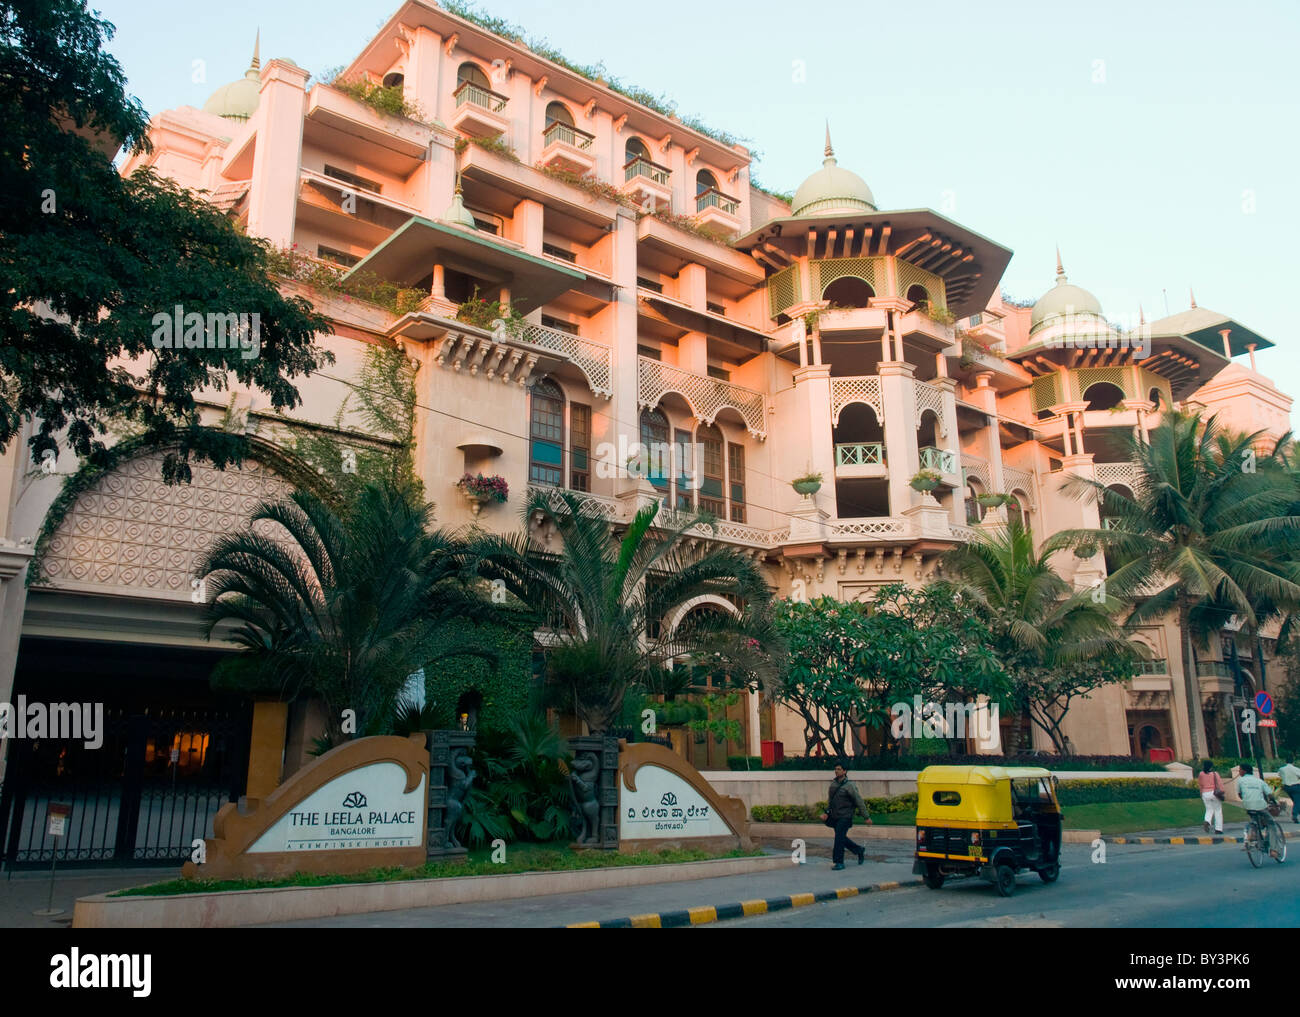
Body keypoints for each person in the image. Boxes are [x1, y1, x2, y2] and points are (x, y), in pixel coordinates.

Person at [820, 762, 873, 870]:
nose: (836, 771)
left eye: (839, 769)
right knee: (841, 838)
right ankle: (858, 850)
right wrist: (826, 812)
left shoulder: (850, 786)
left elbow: (859, 801)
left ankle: (839, 862)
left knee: (839, 839)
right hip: (835, 816)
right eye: (836, 769)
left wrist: (866, 817)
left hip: (845, 816)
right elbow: (831, 801)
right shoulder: (833, 784)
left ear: (844, 771)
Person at [1236, 763, 1277, 851]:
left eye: (1240, 770)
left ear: (1244, 771)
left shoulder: (1240, 780)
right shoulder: (1259, 781)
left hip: (1248, 806)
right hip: (1260, 805)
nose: (1239, 771)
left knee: (1254, 820)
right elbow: (1269, 794)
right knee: (1271, 824)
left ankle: (1254, 835)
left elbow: (1239, 794)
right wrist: (1275, 802)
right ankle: (1273, 850)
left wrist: (1247, 799)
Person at [1197, 760, 1225, 834]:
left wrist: (1201, 793)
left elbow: (1200, 784)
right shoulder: (1215, 774)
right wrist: (1222, 791)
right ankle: (1218, 829)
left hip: (1205, 793)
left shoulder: (1201, 774)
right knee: (1218, 810)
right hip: (1214, 793)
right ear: (1211, 766)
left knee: (1209, 809)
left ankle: (1207, 821)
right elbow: (1219, 783)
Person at [1278, 757, 1300, 824]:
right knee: (1297, 801)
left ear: (1286, 762)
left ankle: (1297, 811)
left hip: (1286, 787)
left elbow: (1279, 775)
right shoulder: (1296, 769)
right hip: (1295, 786)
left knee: (1295, 800)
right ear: (1293, 762)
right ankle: (1294, 814)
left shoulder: (1281, 769)